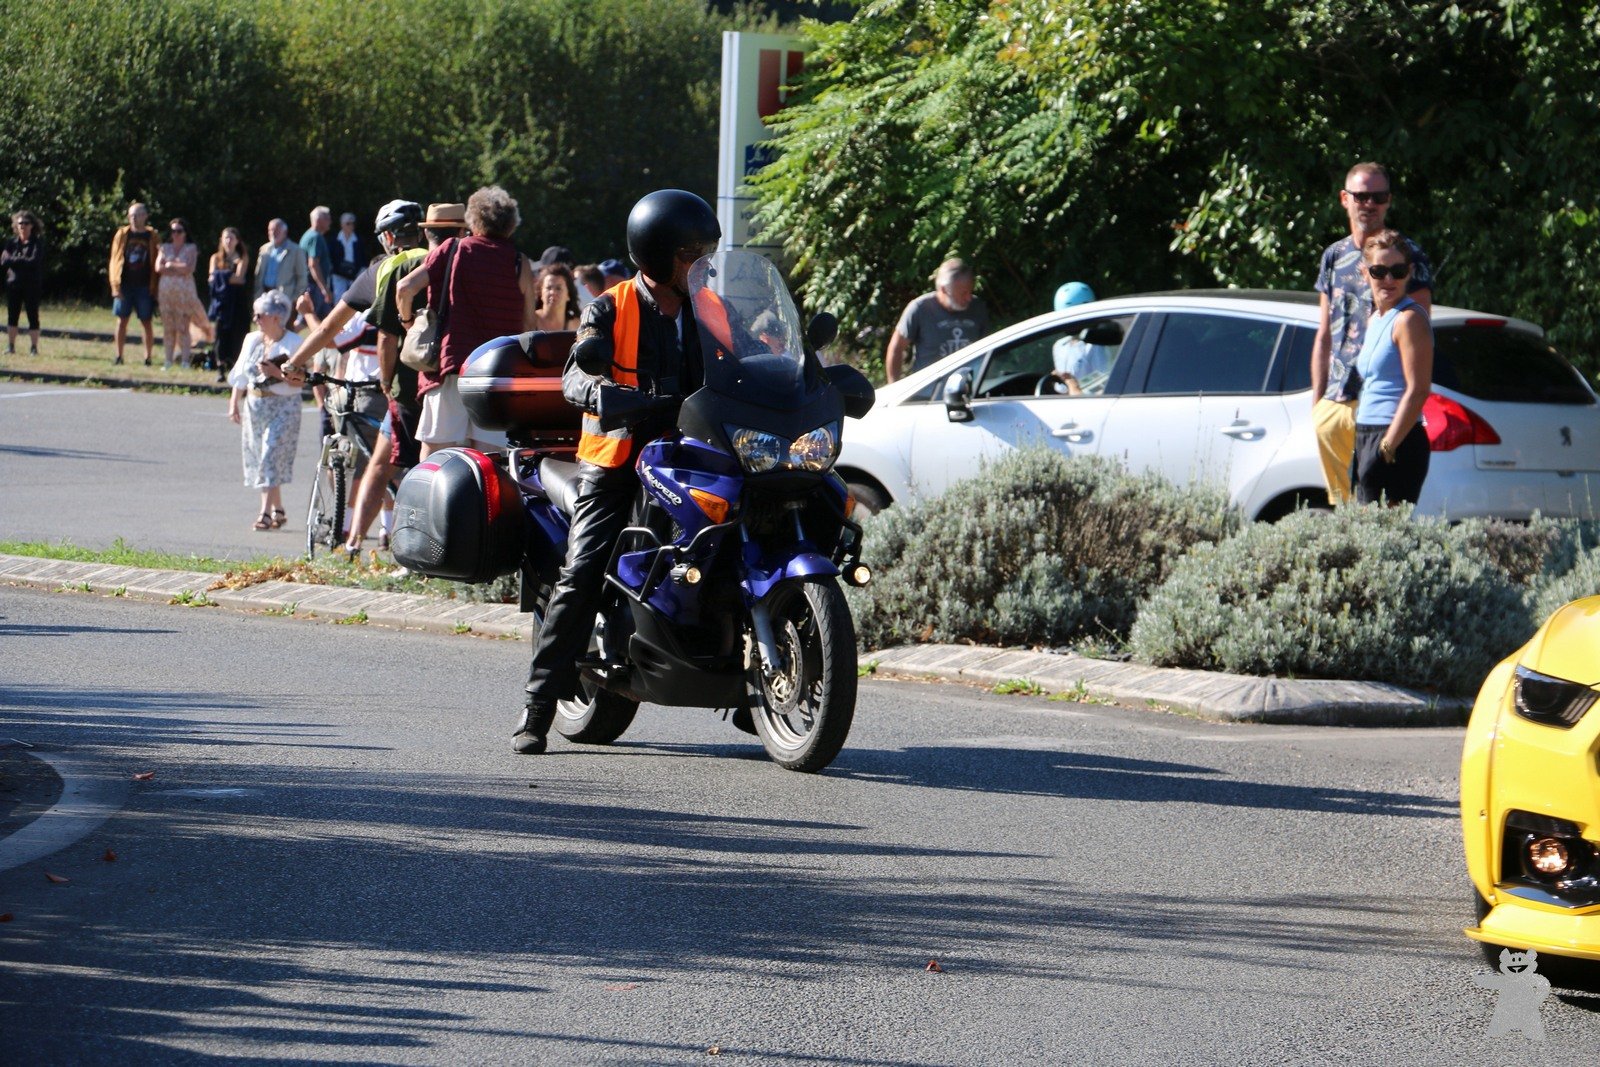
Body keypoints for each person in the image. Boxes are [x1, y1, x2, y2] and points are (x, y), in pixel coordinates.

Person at [513, 188, 720, 755]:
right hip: (618, 461)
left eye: (706, 255)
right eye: (692, 256)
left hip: (691, 454)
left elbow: (745, 360)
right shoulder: (610, 306)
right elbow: (574, 376)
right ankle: (538, 706)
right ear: (658, 255)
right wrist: (601, 393)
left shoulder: (710, 307)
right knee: (582, 570)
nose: (702, 266)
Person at [1312, 162, 1434, 505]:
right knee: (1347, 514)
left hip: (1385, 408)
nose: (1369, 204)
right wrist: (1318, 404)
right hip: (1336, 403)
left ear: (1388, 200)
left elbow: (1418, 331)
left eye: (1378, 197)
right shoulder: (1334, 255)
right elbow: (1324, 333)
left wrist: (1391, 440)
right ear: (1345, 198)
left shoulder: (1407, 255)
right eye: (1361, 196)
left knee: (1379, 515)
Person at [395, 186, 537, 457]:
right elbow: (529, 325)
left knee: (437, 458)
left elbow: (405, 288)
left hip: (454, 367)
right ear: (511, 225)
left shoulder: (454, 249)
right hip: (497, 375)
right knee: (490, 461)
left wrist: (407, 321)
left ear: (472, 220)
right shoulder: (519, 262)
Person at [1351, 230, 1433, 506]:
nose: (1388, 279)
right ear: (1365, 273)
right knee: (1362, 526)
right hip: (1367, 433)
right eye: (1379, 271)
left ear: (1409, 273)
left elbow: (1418, 389)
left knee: (1382, 528)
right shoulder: (1375, 318)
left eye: (1398, 271)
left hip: (1397, 438)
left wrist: (1387, 446)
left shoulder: (1409, 320)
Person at [226, 291, 303, 531]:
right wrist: (234, 402)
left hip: (284, 406)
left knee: (270, 454)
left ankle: (265, 513)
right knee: (263, 458)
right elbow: (241, 372)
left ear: (276, 318)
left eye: (260, 315)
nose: (256, 319)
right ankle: (278, 509)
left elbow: (301, 381)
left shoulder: (294, 343)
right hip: (255, 405)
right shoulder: (252, 340)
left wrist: (276, 373)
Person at [884, 257, 989, 382]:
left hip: (969, 384)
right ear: (944, 289)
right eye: (963, 293)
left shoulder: (977, 308)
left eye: (970, 292)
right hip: (929, 388)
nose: (968, 298)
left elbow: (988, 347)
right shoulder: (920, 309)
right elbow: (896, 348)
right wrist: (894, 385)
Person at [154, 216, 213, 369]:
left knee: (183, 327)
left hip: (184, 294)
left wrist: (170, 264)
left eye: (179, 231)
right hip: (166, 293)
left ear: (185, 233)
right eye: (173, 231)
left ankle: (185, 361)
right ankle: (168, 360)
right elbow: (158, 267)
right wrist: (178, 267)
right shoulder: (164, 247)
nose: (175, 234)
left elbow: (189, 268)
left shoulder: (191, 248)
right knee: (168, 328)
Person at [109, 202, 159, 366]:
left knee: (146, 321)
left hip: (145, 286)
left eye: (137, 215)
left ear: (145, 216)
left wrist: (156, 287)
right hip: (124, 285)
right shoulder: (122, 234)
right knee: (122, 321)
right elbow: (114, 260)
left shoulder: (152, 236)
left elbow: (157, 259)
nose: (134, 218)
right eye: (131, 215)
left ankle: (148, 357)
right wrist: (115, 285)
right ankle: (119, 356)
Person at [1048, 281, 1110, 396]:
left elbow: (1103, 389)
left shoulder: (1095, 345)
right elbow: (1061, 389)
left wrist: (1071, 384)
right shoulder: (1059, 346)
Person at [208, 228, 251, 382]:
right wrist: (228, 276)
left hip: (238, 302)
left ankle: (235, 367)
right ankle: (220, 368)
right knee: (220, 334)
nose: (228, 241)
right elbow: (211, 277)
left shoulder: (242, 257)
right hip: (222, 302)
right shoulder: (215, 258)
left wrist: (220, 276)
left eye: (231, 238)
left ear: (237, 240)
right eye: (226, 238)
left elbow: (240, 278)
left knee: (237, 334)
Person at [3, 210, 44, 356]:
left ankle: (34, 347)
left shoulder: (37, 243)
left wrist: (14, 260)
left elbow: (33, 261)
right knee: (12, 316)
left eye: (26, 223)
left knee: (33, 316)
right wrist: (21, 260)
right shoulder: (11, 243)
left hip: (31, 285)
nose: (22, 226)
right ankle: (11, 346)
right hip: (13, 284)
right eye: (20, 223)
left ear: (32, 225)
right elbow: (4, 261)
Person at [255, 218, 309, 311]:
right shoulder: (264, 249)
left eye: (276, 230)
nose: (273, 233)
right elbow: (258, 275)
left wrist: (294, 298)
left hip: (285, 296)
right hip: (264, 295)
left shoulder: (296, 250)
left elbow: (302, 276)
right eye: (270, 230)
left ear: (285, 232)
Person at [300, 206, 336, 319]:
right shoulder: (315, 237)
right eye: (328, 219)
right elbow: (313, 264)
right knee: (307, 319)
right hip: (314, 286)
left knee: (326, 319)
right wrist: (324, 289)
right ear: (319, 220)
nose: (330, 222)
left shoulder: (308, 235)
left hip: (311, 285)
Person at [532, 263, 582, 333]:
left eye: (558, 288)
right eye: (548, 288)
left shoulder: (577, 326)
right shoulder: (530, 320)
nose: (552, 292)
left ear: (568, 295)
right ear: (541, 293)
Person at [329, 212, 363, 302]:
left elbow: (362, 258)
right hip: (338, 273)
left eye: (352, 224)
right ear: (342, 225)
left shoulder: (358, 240)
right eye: (348, 223)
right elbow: (332, 257)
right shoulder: (335, 240)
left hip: (354, 272)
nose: (351, 226)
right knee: (338, 299)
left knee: (354, 298)